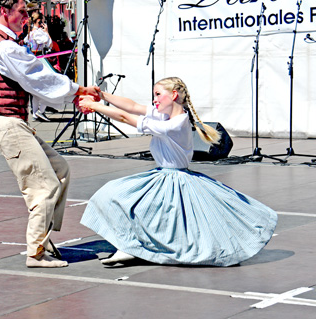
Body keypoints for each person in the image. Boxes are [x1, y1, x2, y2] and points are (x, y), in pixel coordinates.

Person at [78, 77, 278, 267]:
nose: (154, 100)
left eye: (158, 94)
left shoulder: (176, 123)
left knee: (149, 211)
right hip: (163, 175)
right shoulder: (165, 115)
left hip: (174, 178)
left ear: (173, 95)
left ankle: (134, 247)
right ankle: (132, 245)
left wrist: (94, 106)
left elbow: (125, 116)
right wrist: (102, 96)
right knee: (120, 197)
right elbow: (132, 106)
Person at [0, 0, 101, 268]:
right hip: (7, 125)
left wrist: (73, 94)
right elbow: (37, 76)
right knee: (44, 186)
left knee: (60, 170)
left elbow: (34, 83)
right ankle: (35, 252)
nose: (27, 17)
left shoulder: (8, 44)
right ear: (5, 11)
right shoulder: (5, 47)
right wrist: (78, 91)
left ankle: (44, 237)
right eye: (22, 12)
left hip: (14, 122)